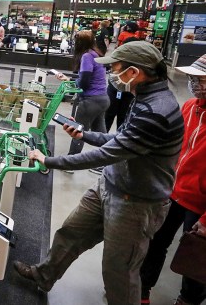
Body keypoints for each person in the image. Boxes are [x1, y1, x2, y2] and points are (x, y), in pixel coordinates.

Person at [15, 41, 185, 305]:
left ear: (133, 72)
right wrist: (86, 134)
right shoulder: (144, 98)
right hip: (110, 185)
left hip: (136, 204)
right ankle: (43, 275)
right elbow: (120, 140)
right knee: (71, 233)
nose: (112, 75)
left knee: (119, 272)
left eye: (115, 69)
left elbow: (107, 154)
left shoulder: (157, 111)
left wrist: (49, 160)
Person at [140, 54, 206, 305]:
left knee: (196, 255)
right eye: (192, 78)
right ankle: (142, 290)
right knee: (156, 242)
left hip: (201, 203)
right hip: (173, 191)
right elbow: (176, 147)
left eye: (201, 79)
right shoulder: (189, 107)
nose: (194, 83)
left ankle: (188, 299)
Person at [54, 30, 109, 173]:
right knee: (101, 134)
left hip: (90, 101)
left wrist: (70, 81)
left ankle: (71, 163)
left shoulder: (86, 56)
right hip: (102, 99)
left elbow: (84, 82)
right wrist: (70, 80)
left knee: (77, 130)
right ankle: (105, 164)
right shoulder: (96, 54)